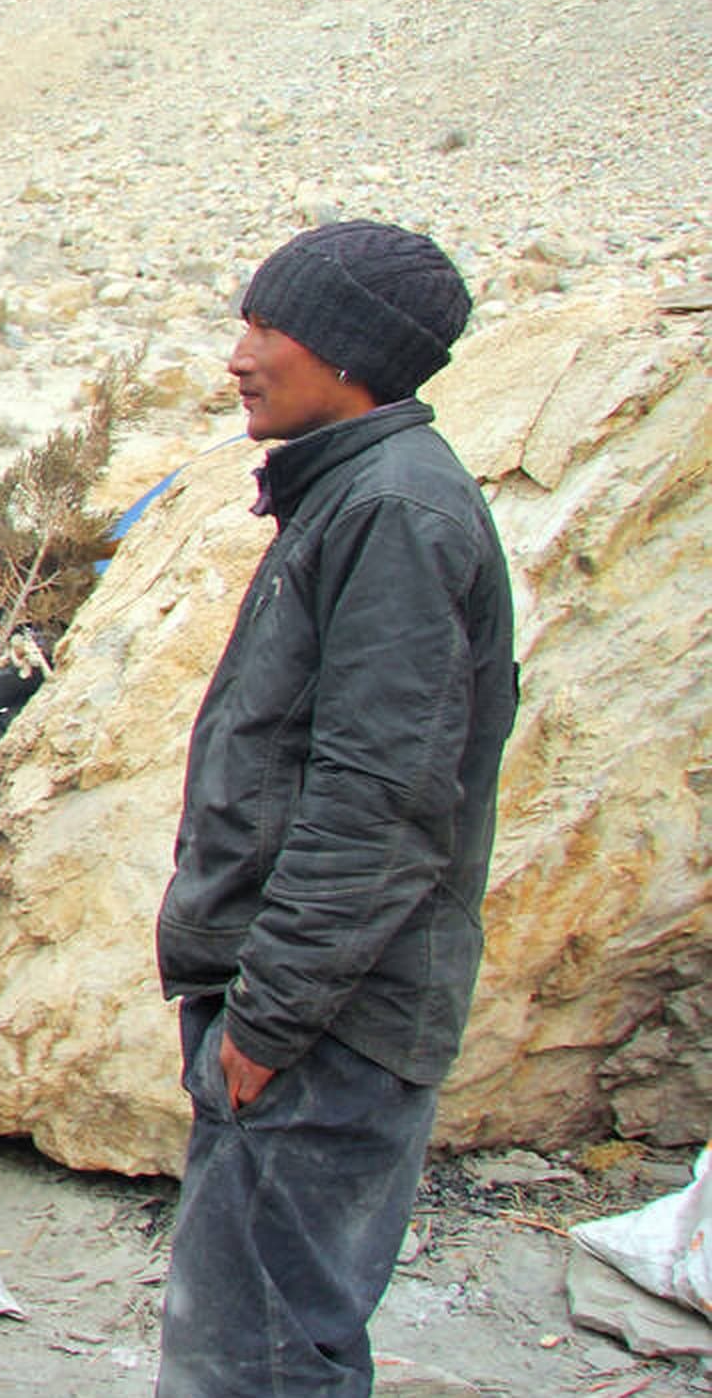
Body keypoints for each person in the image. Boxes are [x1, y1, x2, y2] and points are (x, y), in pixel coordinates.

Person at [153, 221, 516, 1398]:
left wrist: (269, 1018)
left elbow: (378, 800)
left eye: (268, 328)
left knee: (254, 1355)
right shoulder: (350, 494)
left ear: (348, 352)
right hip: (306, 1003)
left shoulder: (393, 512)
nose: (238, 356)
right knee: (253, 1333)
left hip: (327, 1022)